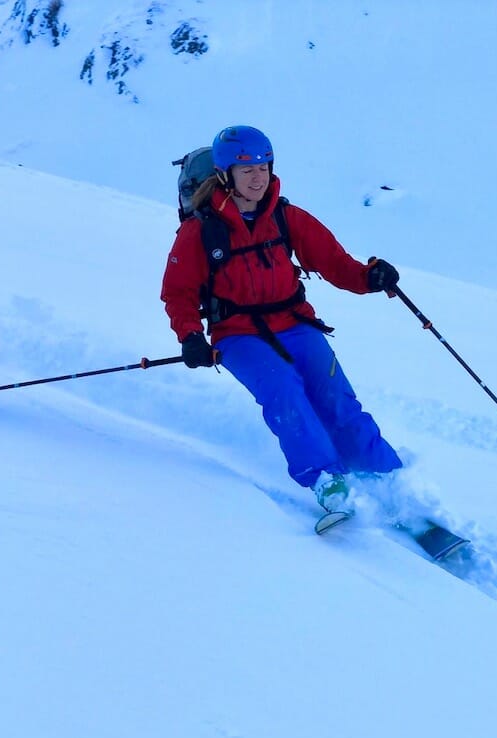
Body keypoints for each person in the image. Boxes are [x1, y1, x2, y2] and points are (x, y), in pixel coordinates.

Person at [161, 125, 403, 511]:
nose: (258, 177)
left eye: (263, 167)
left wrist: (369, 277)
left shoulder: (286, 216)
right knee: (285, 395)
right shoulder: (200, 231)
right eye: (247, 170)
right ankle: (326, 480)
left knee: (336, 398)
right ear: (225, 174)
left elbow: (335, 262)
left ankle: (387, 477)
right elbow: (178, 291)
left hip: (295, 322)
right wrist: (190, 336)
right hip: (237, 334)